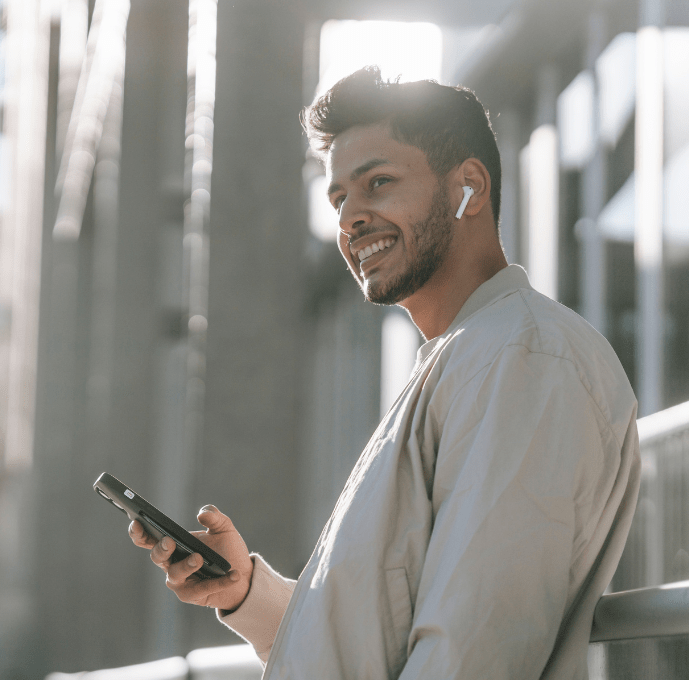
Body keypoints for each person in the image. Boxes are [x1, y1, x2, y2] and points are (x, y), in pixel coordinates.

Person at [128, 66, 640, 679]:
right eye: (341, 198)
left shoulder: (521, 359)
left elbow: (471, 652)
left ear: (468, 188)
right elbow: (385, 640)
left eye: (379, 183)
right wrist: (246, 593)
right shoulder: (471, 357)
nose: (350, 218)